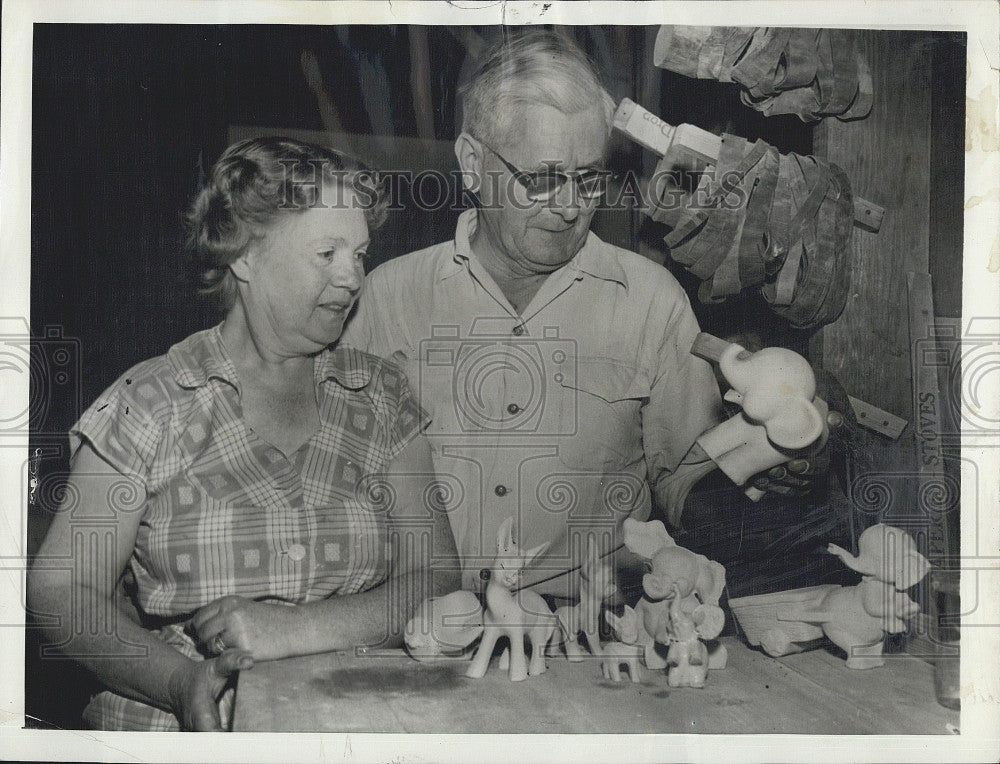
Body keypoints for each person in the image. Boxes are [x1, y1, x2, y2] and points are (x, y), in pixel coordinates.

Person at [28, 137, 460, 731]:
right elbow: (61, 590)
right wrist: (180, 682)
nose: (353, 276)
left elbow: (436, 575)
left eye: (360, 254)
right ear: (245, 256)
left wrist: (297, 629)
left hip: (355, 721)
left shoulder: (383, 398)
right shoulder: (150, 402)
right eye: (328, 252)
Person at [341, 31, 734, 598]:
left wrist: (769, 465)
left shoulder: (652, 303)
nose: (571, 206)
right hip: (420, 632)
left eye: (589, 177)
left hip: (586, 644)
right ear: (473, 164)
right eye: (544, 179)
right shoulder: (386, 300)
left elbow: (691, 486)